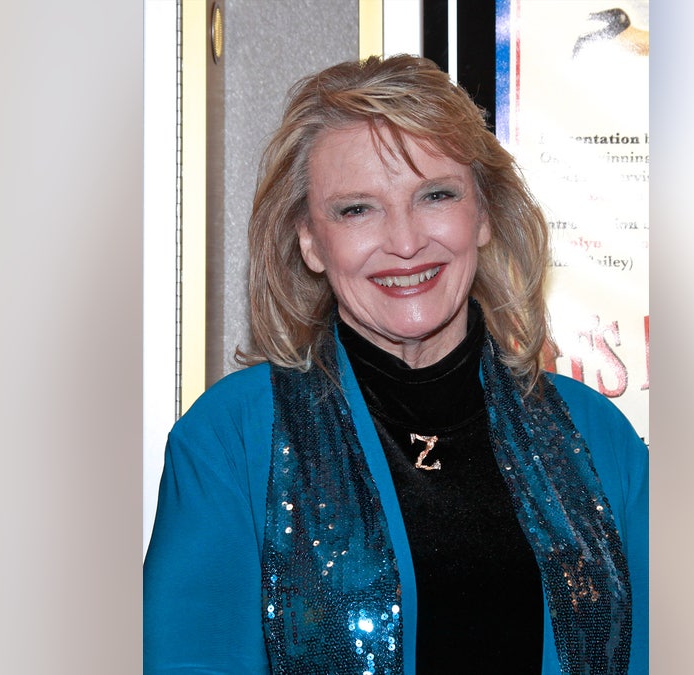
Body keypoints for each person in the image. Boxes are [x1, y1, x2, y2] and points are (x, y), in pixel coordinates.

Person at [144, 54, 648, 675]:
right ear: (309, 240)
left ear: (483, 215)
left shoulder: (599, 440)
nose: (406, 243)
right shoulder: (231, 441)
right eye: (357, 208)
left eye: (435, 195)